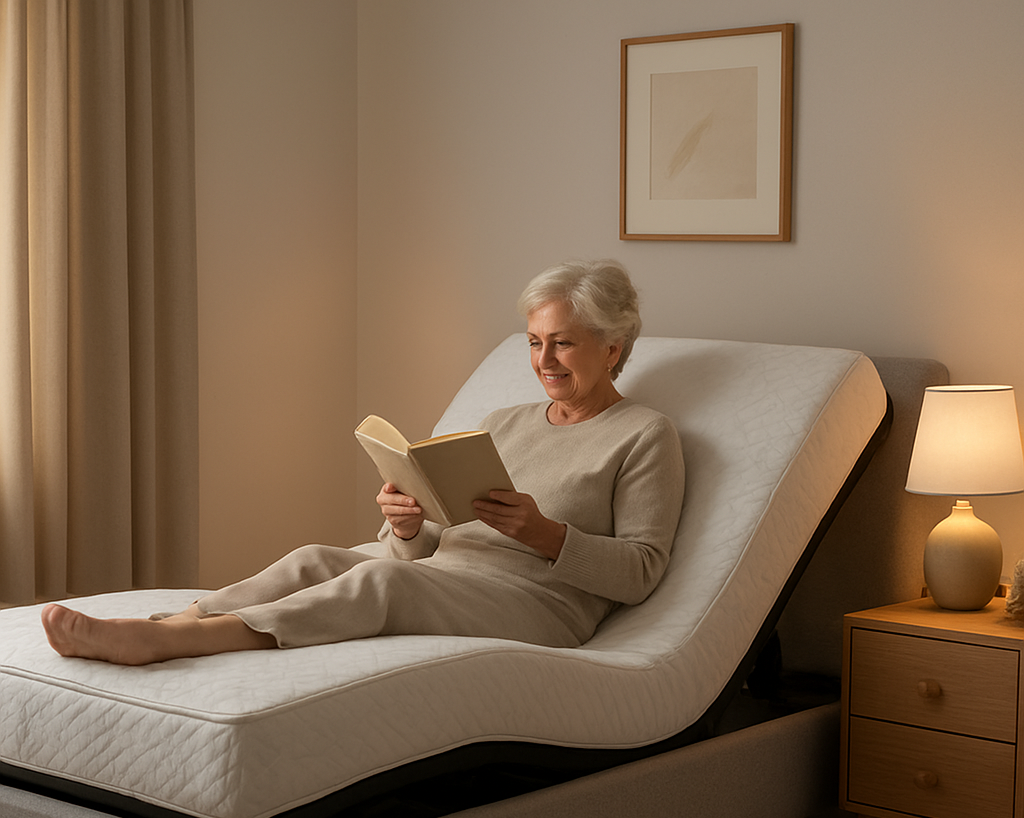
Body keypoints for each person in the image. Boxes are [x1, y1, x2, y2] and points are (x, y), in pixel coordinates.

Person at [41, 259, 685, 665]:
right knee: (316, 558)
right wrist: (406, 526)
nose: (544, 361)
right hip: (449, 577)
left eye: (564, 344)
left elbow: (641, 572)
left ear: (613, 347)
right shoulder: (503, 423)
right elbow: (423, 552)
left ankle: (171, 643)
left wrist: (542, 533)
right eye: (535, 343)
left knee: (381, 582)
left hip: (540, 606)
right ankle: (179, 619)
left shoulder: (643, 435)